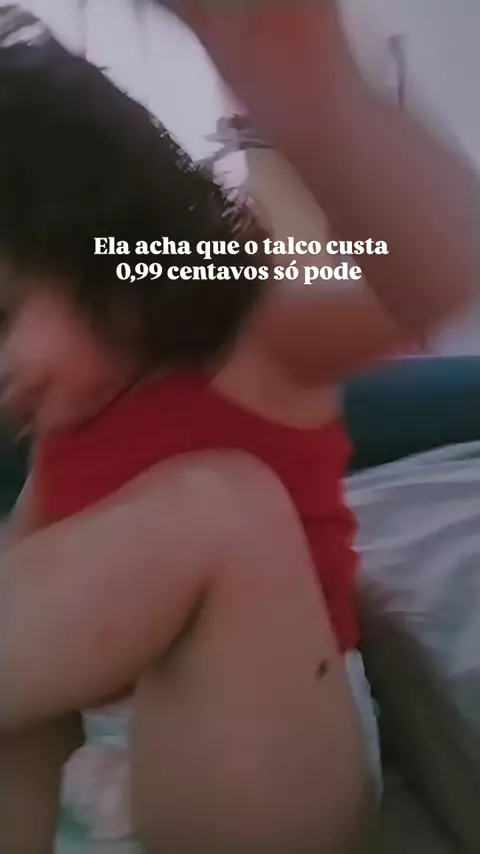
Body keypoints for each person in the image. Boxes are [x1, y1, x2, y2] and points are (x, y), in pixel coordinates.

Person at [0, 4, 478, 850]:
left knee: (221, 506)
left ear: (97, 249)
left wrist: (308, 91)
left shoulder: (254, 338)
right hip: (98, 787)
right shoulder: (62, 428)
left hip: (270, 754)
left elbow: (438, 266)